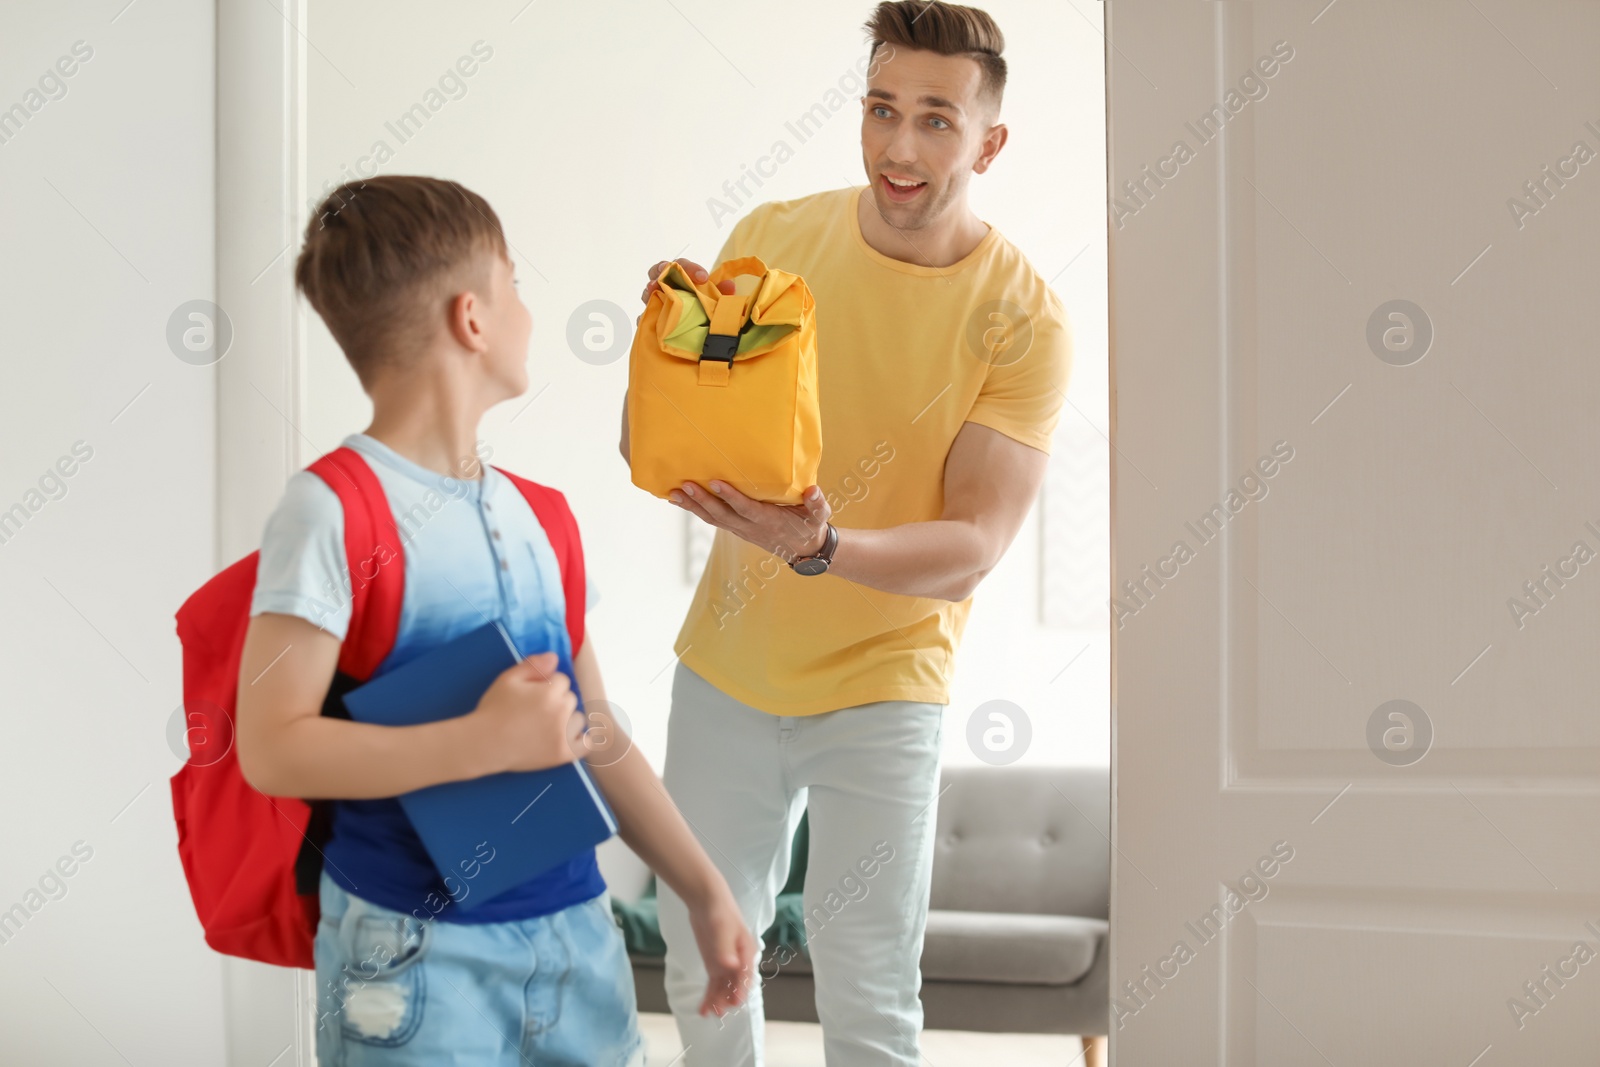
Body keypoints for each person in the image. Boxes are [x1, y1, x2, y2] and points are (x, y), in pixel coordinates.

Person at [619, 3, 1075, 1063]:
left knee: (867, 978)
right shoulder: (773, 238)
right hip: (729, 667)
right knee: (702, 957)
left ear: (988, 142)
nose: (899, 148)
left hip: (885, 680)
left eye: (934, 119)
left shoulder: (1021, 317)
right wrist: (663, 339)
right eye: (880, 110)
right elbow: (663, 440)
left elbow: (976, 538)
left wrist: (823, 549)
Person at [235, 174, 756, 1067]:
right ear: (472, 318)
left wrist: (704, 889)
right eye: (514, 283)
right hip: (411, 961)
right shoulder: (331, 510)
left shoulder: (545, 516)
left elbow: (595, 733)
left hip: (575, 941)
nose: (525, 309)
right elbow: (271, 744)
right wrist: (483, 741)